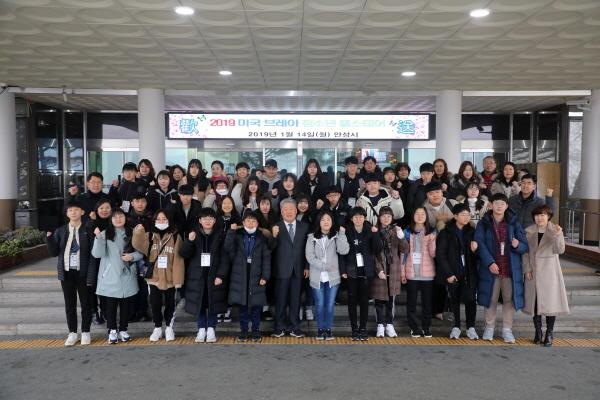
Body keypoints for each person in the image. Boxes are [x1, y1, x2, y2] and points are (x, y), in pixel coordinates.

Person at [475, 193, 528, 343]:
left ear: (507, 206)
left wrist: (518, 245)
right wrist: (489, 263)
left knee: (508, 300)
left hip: (509, 269)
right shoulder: (484, 223)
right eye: (496, 203)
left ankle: (507, 330)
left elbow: (524, 246)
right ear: (491, 205)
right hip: (491, 269)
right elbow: (479, 244)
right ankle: (489, 328)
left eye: (502, 204)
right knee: (490, 299)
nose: (499, 206)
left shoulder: (513, 222)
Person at [45, 200, 94, 346]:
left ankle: (85, 331)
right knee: (69, 305)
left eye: (76, 210)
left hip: (83, 272)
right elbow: (54, 253)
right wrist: (49, 238)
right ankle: (72, 333)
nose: (73, 212)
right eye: (70, 210)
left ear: (82, 212)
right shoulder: (60, 231)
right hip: (66, 273)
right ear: (66, 213)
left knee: (86, 304)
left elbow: (93, 254)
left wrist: (91, 274)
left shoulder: (88, 229)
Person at [132, 209, 185, 342]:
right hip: (154, 277)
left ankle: (169, 327)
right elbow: (138, 245)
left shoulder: (175, 236)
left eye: (164, 219)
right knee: (155, 304)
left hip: (170, 277)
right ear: (154, 221)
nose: (161, 221)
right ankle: (157, 327)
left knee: (170, 304)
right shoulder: (150, 235)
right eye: (158, 219)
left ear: (169, 221)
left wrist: (178, 279)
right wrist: (138, 232)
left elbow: (178, 260)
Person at [91, 209, 142, 344]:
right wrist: (98, 238)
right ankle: (112, 330)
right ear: (111, 220)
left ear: (125, 218)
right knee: (111, 306)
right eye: (115, 217)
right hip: (110, 275)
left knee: (126, 305)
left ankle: (123, 329)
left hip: (127, 273)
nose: (118, 219)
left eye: (121, 216)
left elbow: (142, 252)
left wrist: (132, 256)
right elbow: (97, 254)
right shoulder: (105, 234)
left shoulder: (133, 233)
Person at [220, 211, 271, 342]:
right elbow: (227, 248)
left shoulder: (262, 237)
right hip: (240, 274)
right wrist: (231, 232)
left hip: (257, 274)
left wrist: (265, 276)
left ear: (257, 223)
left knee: (256, 306)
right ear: (243, 223)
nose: (250, 223)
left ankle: (255, 331)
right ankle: (243, 331)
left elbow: (266, 258)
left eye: (253, 221)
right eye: (248, 221)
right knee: (242, 307)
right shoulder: (237, 235)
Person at [522, 205, 569, 347]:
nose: (539, 218)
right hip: (533, 270)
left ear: (548, 216)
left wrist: (558, 235)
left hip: (549, 271)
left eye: (542, 215)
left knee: (550, 304)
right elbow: (525, 252)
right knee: (535, 303)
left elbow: (559, 249)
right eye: (537, 215)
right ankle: (538, 332)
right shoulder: (529, 231)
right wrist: (527, 269)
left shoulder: (555, 230)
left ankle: (549, 333)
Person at [180, 208, 228, 343]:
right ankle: (201, 328)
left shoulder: (221, 235)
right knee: (199, 301)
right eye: (205, 218)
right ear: (200, 221)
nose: (207, 221)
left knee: (213, 301)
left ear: (214, 220)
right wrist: (189, 241)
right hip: (197, 275)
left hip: (214, 274)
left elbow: (225, 257)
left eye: (210, 218)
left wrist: (221, 275)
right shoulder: (194, 234)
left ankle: (211, 328)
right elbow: (184, 254)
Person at [435, 204, 480, 340]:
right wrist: (448, 273)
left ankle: (471, 327)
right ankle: (456, 327)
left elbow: (478, 254)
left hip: (469, 271)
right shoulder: (446, 232)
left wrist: (475, 251)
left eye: (468, 214)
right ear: (455, 216)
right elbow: (440, 255)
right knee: (454, 299)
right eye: (463, 214)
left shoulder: (472, 231)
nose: (466, 217)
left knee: (471, 299)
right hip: (453, 271)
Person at [305, 210, 350, 340]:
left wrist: (342, 234)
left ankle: (328, 329)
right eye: (323, 220)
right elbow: (310, 257)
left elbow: (344, 250)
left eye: (328, 220)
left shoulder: (336, 236)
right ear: (319, 222)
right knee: (319, 304)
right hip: (317, 277)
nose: (326, 222)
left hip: (332, 277)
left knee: (329, 305)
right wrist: (324, 266)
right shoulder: (311, 237)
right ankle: (320, 330)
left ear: (332, 222)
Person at [341, 207, 383, 341]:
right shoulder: (347, 231)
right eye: (355, 217)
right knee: (352, 300)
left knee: (364, 301)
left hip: (366, 271)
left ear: (365, 218)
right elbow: (342, 253)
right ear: (351, 219)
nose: (358, 219)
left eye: (361, 217)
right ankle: (354, 329)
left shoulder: (370, 230)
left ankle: (363, 328)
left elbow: (377, 249)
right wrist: (343, 270)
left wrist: (375, 234)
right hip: (351, 270)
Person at [271, 198, 310, 338]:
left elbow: (307, 249)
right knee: (280, 300)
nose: (289, 212)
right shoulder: (276, 226)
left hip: (298, 269)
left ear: (296, 211)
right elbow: (270, 248)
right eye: (286, 209)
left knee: (296, 300)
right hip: (281, 269)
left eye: (291, 209)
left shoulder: (304, 227)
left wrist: (307, 266)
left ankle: (295, 327)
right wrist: (273, 236)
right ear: (281, 212)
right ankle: (279, 327)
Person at [400, 207, 437, 338]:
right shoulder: (406, 232)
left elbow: (433, 254)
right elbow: (403, 254)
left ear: (426, 216)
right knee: (412, 303)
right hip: (411, 273)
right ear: (413, 216)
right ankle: (414, 328)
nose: (420, 216)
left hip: (427, 274)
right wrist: (402, 273)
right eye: (417, 213)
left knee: (427, 303)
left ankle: (426, 327)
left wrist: (432, 241)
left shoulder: (432, 232)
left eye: (423, 214)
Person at [372, 206, 406, 338]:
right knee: (379, 301)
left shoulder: (395, 231)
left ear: (392, 218)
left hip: (393, 269)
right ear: (379, 218)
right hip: (379, 269)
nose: (386, 218)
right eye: (383, 216)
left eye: (389, 216)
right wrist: (378, 269)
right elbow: (372, 253)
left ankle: (390, 325)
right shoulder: (375, 230)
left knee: (391, 300)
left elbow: (405, 249)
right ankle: (380, 325)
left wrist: (401, 236)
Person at [126, 193, 153, 321]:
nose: (140, 204)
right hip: (130, 256)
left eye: (142, 201)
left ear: (146, 203)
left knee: (143, 285)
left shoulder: (151, 217)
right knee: (131, 283)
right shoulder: (127, 218)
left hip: (146, 256)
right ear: (132, 203)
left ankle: (143, 311)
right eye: (137, 201)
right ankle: (131, 312)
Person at [86, 198, 113, 325]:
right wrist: (93, 221)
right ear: (96, 210)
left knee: (106, 286)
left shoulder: (113, 223)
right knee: (92, 286)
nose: (104, 210)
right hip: (94, 260)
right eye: (101, 208)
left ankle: (104, 311)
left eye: (107, 208)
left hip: (109, 260)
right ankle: (94, 312)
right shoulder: (91, 223)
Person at [395, 162, 413, 227]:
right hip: (398, 214)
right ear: (397, 172)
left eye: (405, 170)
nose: (403, 172)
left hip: (410, 214)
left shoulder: (413, 184)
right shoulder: (394, 184)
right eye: (401, 170)